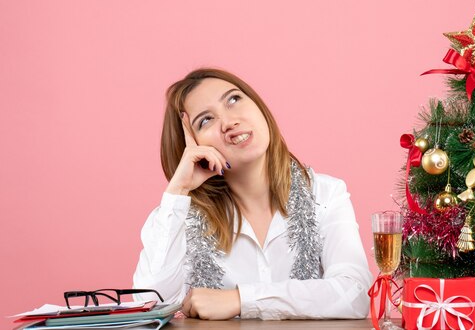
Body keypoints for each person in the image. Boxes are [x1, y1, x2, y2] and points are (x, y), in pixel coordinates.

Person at [132, 68, 372, 320]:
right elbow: (148, 307)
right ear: (191, 146)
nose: (229, 122)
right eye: (206, 120)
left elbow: (355, 293)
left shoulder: (325, 194)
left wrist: (241, 300)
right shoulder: (177, 217)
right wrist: (178, 190)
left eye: (234, 99)